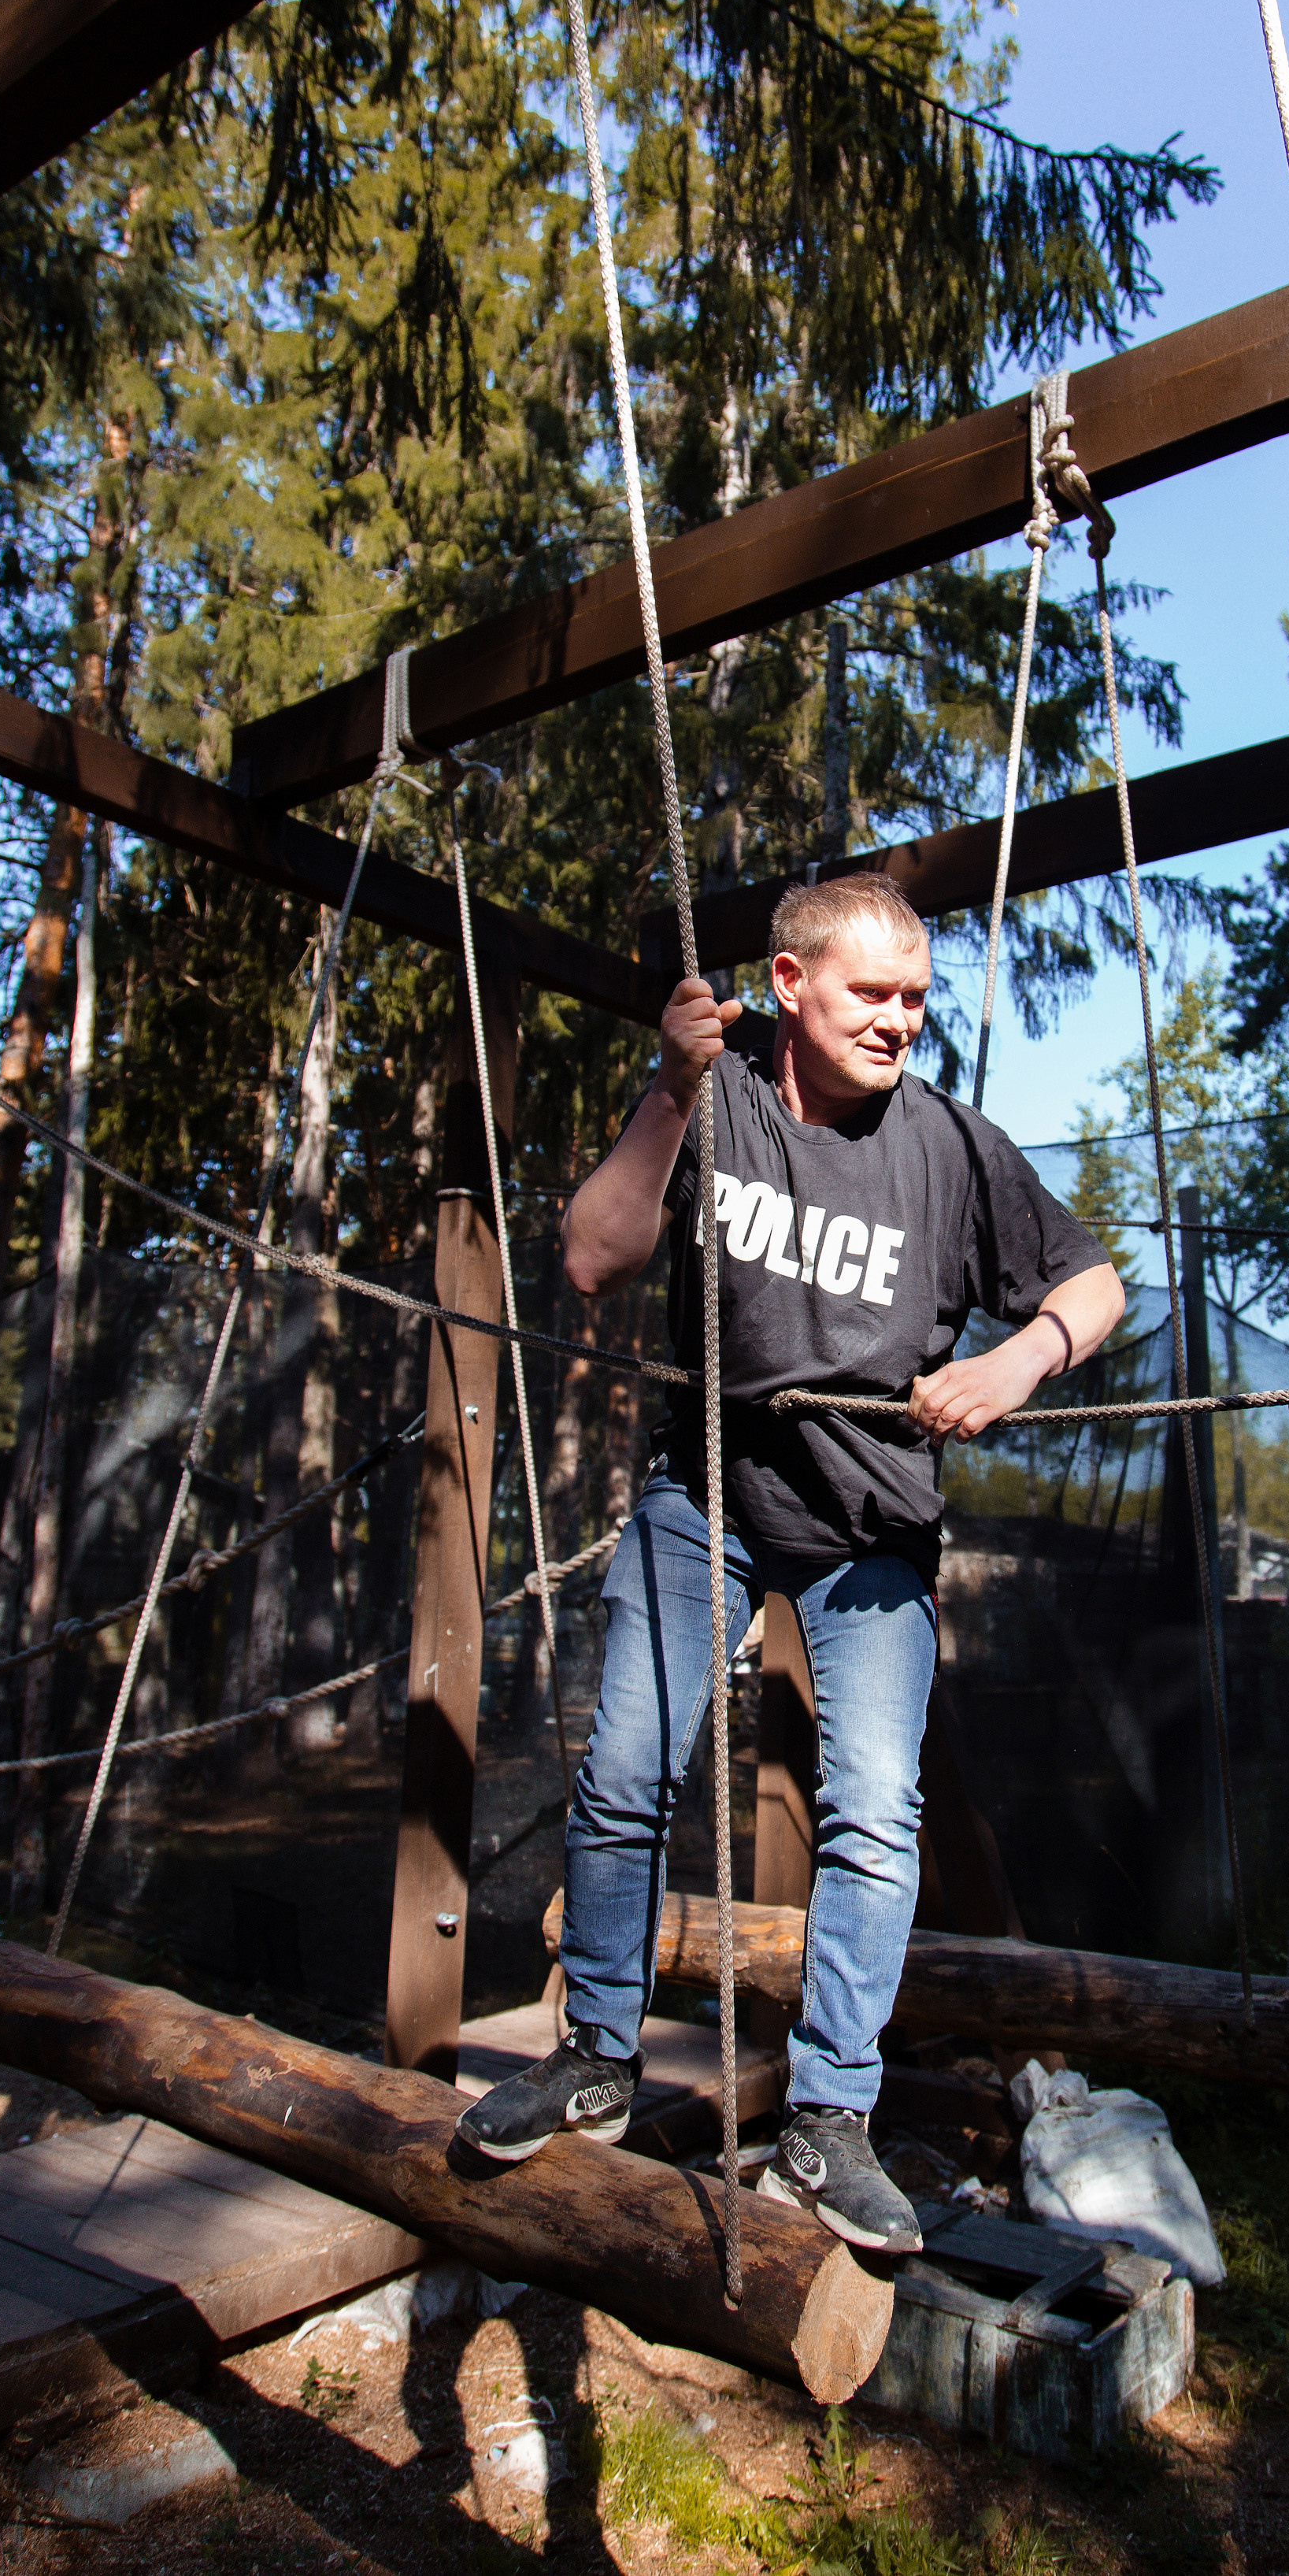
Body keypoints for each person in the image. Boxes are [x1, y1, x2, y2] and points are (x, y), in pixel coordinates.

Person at [457, 873, 1124, 2250]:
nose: (899, 1023)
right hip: (708, 1491)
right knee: (628, 1767)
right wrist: (665, 1088)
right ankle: (594, 2055)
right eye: (871, 994)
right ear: (788, 985)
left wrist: (1012, 1361)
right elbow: (590, 1259)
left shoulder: (950, 1145)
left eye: (916, 999)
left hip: (872, 1521)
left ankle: (827, 2124)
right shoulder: (718, 1099)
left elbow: (1091, 1285)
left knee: (874, 1812)